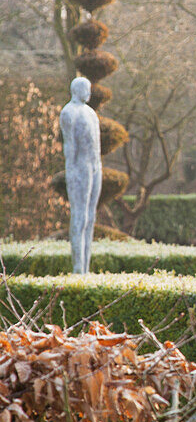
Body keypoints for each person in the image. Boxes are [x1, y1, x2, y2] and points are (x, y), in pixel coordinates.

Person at [59, 76, 102, 274]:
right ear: (77, 89)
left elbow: (97, 145)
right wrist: (72, 173)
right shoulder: (69, 112)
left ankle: (86, 268)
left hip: (95, 166)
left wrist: (97, 166)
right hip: (79, 167)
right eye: (87, 88)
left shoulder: (91, 113)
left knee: (91, 217)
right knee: (80, 217)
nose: (89, 92)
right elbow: (70, 146)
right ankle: (78, 269)